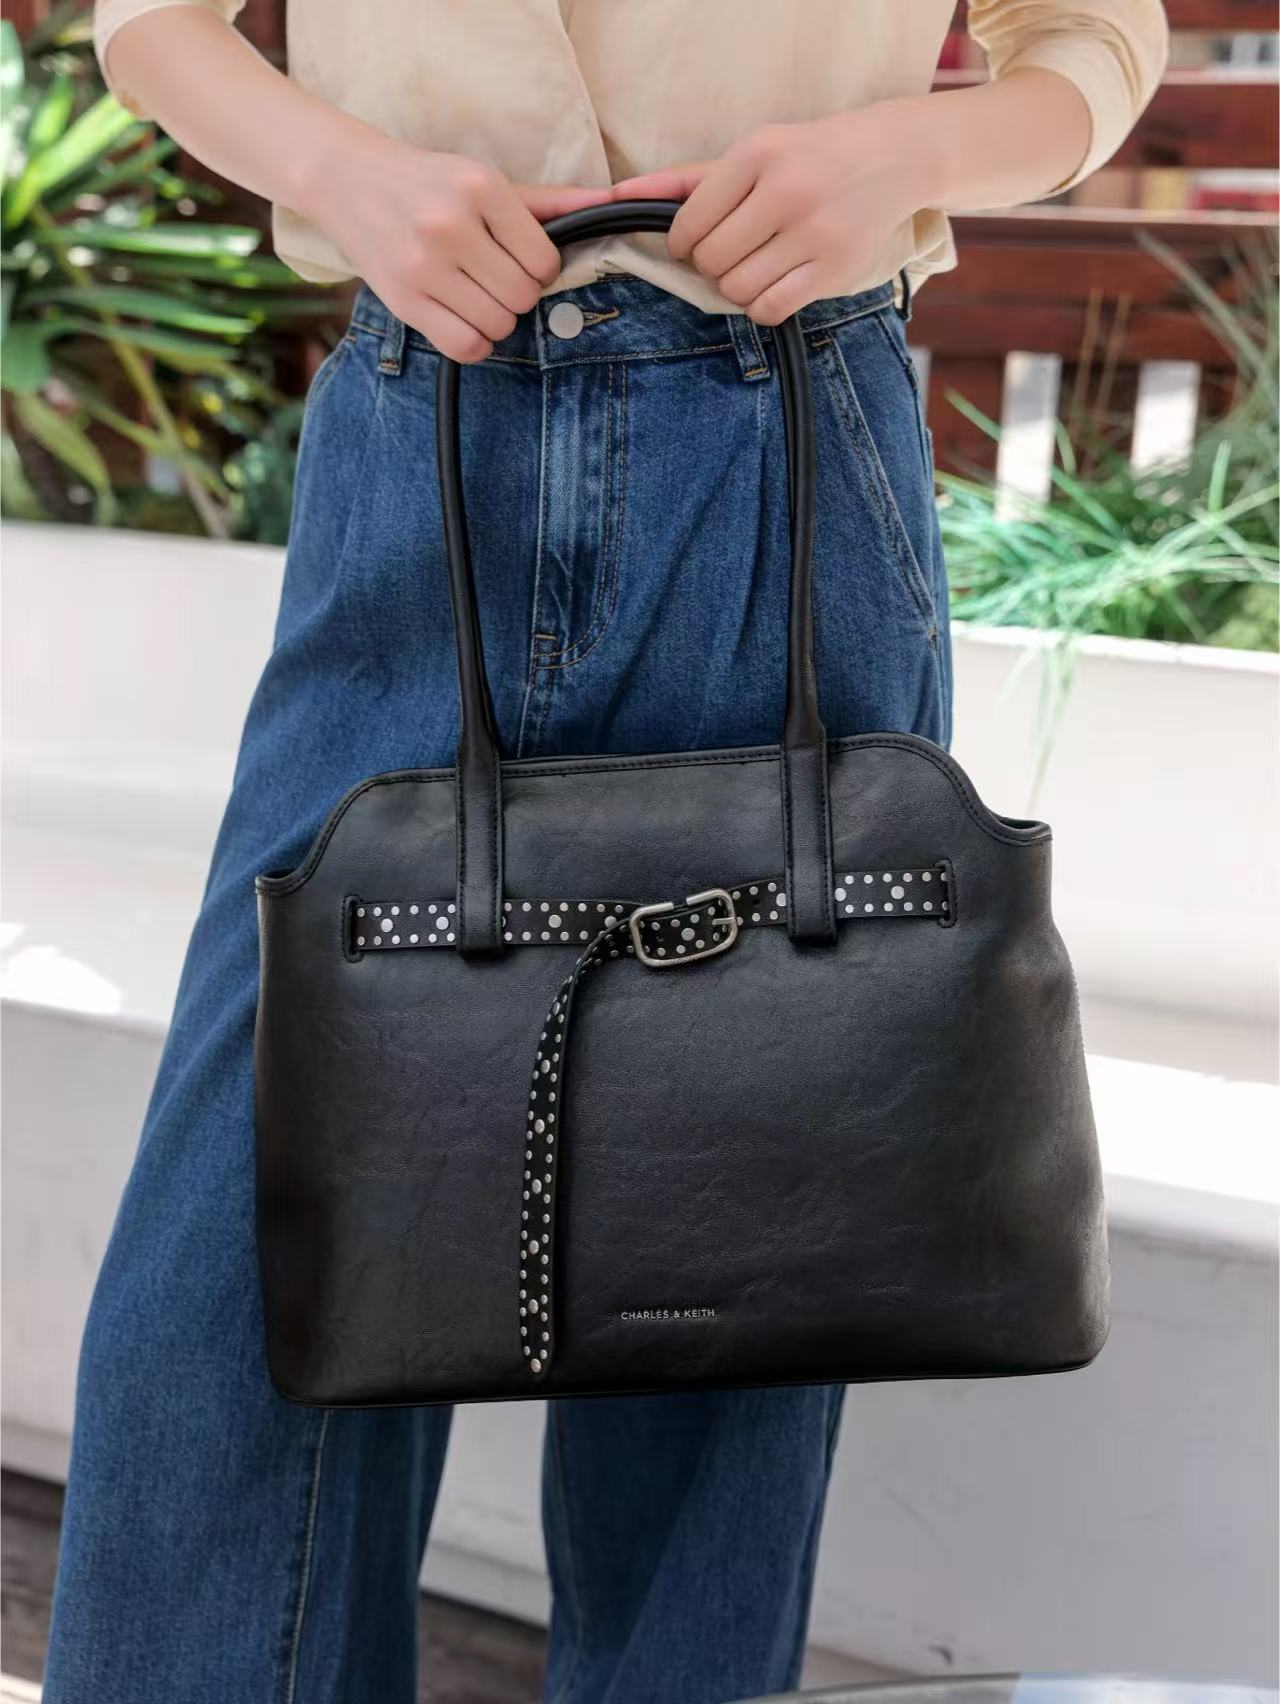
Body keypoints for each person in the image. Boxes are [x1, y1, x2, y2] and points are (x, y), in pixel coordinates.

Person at [45, 4, 1168, 1700]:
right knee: (232, 1296)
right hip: (422, 438)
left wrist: (904, 154)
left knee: (743, 1280)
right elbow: (149, 22)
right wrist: (344, 175)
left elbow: (1093, 38)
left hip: (787, 434)